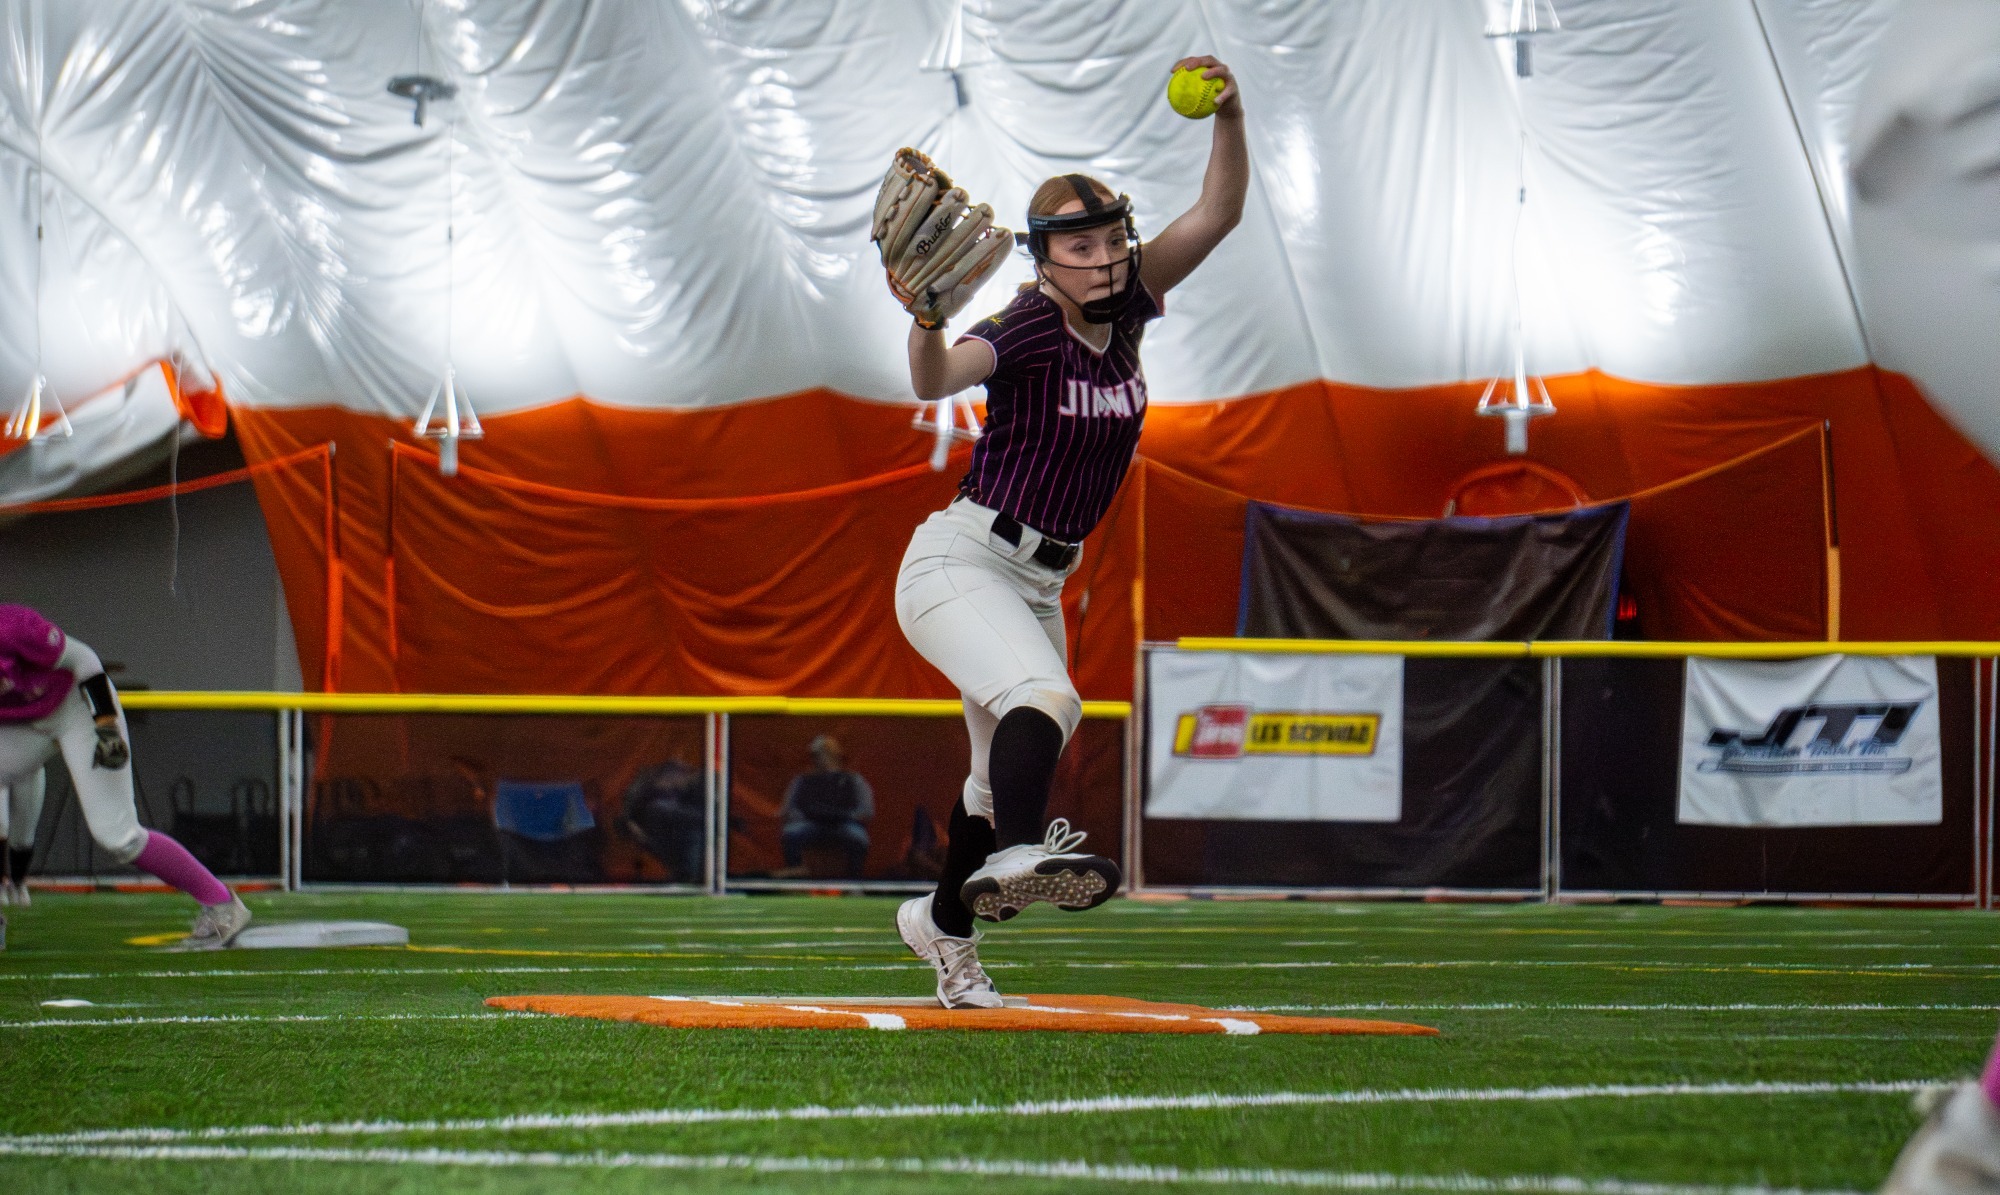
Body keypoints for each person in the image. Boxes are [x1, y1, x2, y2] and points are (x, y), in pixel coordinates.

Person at [885, 57, 1248, 1008]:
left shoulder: (1127, 311)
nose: (1101, 257)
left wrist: (1231, 116)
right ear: (1042, 257)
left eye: (1109, 240)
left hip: (1039, 578)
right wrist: (926, 318)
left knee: (985, 775)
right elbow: (932, 381)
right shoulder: (1030, 325)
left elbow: (1218, 211)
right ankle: (1013, 854)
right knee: (1049, 696)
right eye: (1077, 246)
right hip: (961, 559)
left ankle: (944, 931)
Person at [0, 604, 249, 948]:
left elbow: (84, 660)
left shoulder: (13, 627)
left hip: (75, 708)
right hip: (19, 724)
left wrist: (106, 725)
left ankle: (222, 904)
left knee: (118, 836)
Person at [777, 735, 874, 876]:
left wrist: (844, 815)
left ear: (835, 755)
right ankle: (796, 880)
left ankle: (853, 883)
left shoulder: (854, 780)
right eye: (817, 755)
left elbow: (867, 811)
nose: (820, 758)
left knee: (859, 838)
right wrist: (806, 814)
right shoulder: (802, 780)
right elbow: (787, 810)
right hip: (809, 824)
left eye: (825, 753)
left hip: (845, 824)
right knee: (791, 834)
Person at [621, 754, 708, 884]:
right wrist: (630, 823)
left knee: (693, 831)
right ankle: (685, 874)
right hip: (653, 831)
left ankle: (686, 875)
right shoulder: (653, 795)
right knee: (682, 822)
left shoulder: (679, 792)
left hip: (670, 832)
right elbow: (630, 808)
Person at [0, 769, 43, 905]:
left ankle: (18, 880)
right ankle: (1, 880)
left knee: (24, 833)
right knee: (1, 825)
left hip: (29, 758)